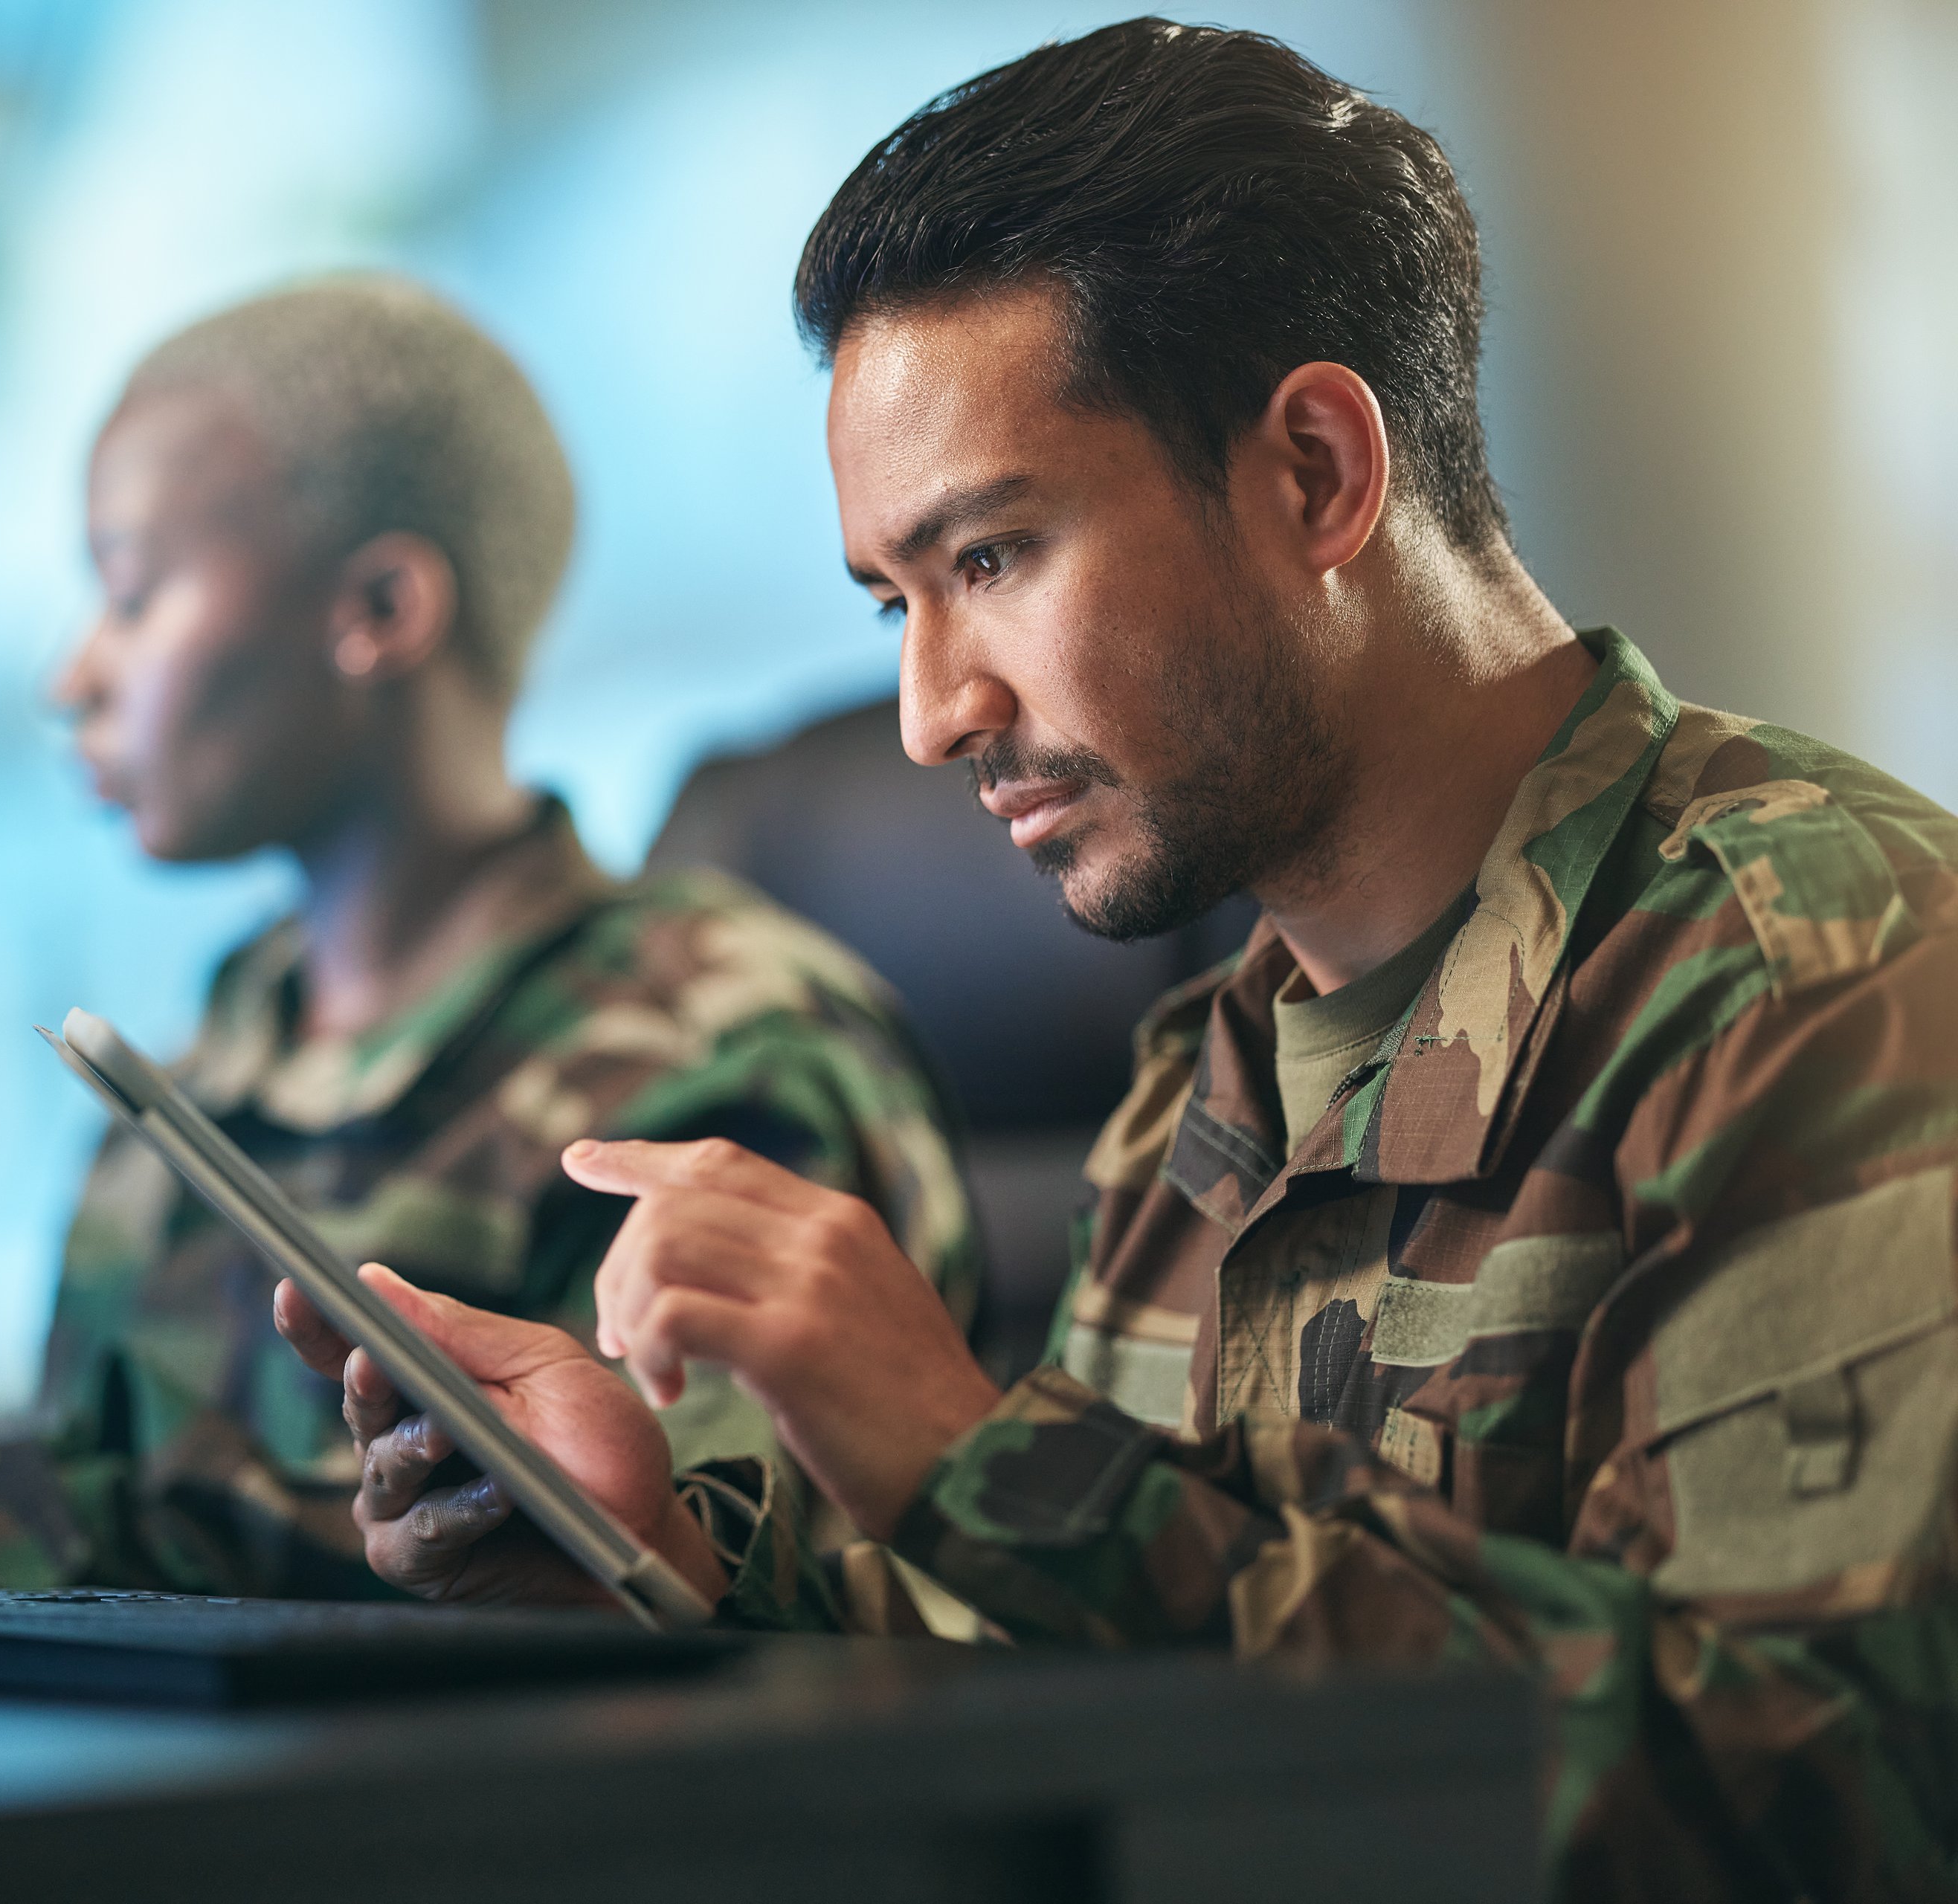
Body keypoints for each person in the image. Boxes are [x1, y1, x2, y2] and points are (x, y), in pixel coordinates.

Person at [273, 24, 1958, 1897]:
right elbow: (1089, 1667)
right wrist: (672, 1555)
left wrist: (982, 1465)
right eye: (894, 602)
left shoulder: (1824, 967)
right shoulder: (1212, 1066)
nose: (929, 712)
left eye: (991, 557)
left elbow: (1812, 1802)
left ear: (1319, 473)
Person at [0, 277, 979, 1598]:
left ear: (381, 609)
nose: (76, 674)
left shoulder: (718, 1048)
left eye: (132, 594)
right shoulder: (215, 1057)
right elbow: (99, 1473)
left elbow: (701, 1575)